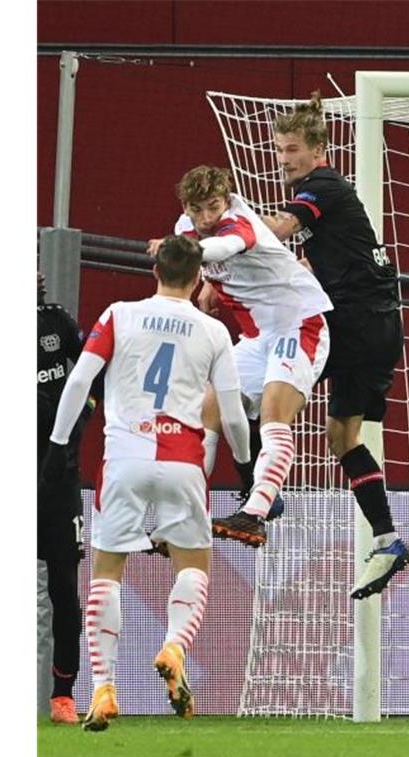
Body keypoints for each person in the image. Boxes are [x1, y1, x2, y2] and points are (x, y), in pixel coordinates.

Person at [40, 237, 252, 730]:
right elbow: (234, 413)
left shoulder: (119, 314)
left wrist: (57, 445)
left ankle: (104, 688)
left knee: (106, 572)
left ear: (154, 270)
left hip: (124, 458)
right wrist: (244, 466)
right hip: (182, 461)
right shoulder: (213, 331)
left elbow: (77, 382)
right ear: (199, 277)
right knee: (194, 564)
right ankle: (175, 646)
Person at [262, 93, 409, 599]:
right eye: (280, 149)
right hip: (379, 326)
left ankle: (260, 495)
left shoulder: (321, 185)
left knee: (272, 389)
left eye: (293, 149)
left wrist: (220, 231)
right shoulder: (333, 195)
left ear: (319, 148)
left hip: (358, 325)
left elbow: (281, 228)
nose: (284, 159)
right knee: (341, 438)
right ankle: (389, 539)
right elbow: (314, 264)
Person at [150, 165, 333, 547]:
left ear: (226, 198)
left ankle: (255, 513)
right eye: (198, 209)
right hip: (256, 335)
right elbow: (206, 259)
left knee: (273, 413)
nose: (206, 218)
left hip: (298, 324)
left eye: (213, 206)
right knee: (207, 411)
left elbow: (224, 249)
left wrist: (179, 251)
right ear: (186, 205)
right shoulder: (186, 226)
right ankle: (186, 517)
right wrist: (207, 284)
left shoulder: (237, 220)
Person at [37, 269, 97, 724]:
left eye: (40, 262)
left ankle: (63, 696)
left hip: (59, 479)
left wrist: (83, 418)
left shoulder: (56, 322)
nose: (40, 273)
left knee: (64, 589)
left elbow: (94, 370)